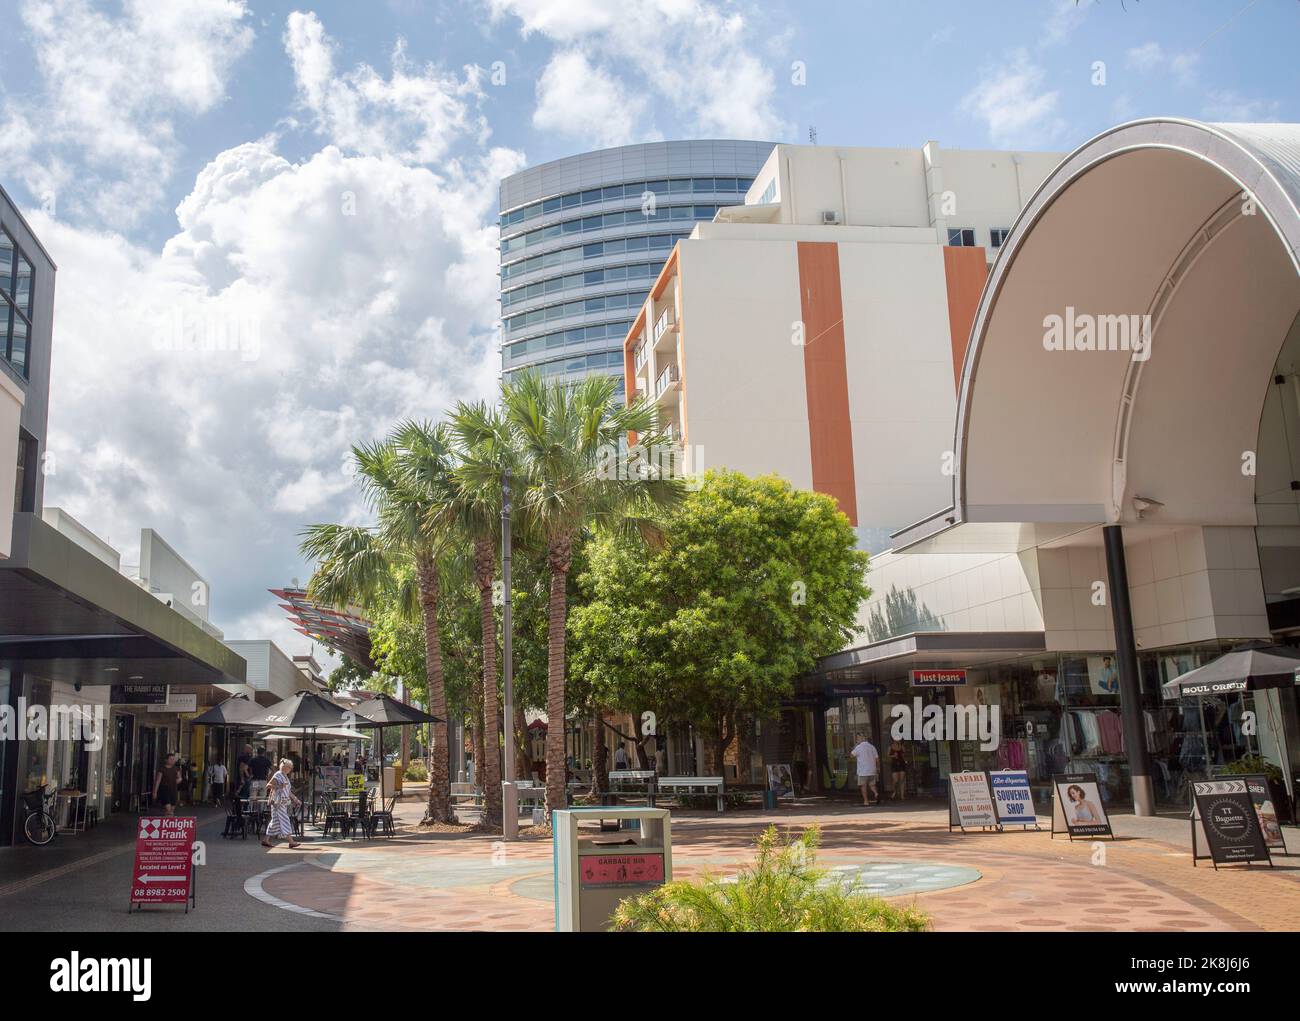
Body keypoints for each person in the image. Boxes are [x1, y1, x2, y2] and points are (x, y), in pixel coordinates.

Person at [262, 758, 302, 850]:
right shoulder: (278, 775)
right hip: (277, 802)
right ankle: (291, 842)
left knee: (275, 821)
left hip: (282, 802)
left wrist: (295, 799)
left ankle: (266, 840)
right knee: (285, 820)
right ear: (284, 767)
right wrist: (279, 786)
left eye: (290, 767)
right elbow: (268, 786)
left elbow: (287, 791)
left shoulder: (285, 776)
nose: (290, 769)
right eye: (289, 767)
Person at [850, 734, 879, 806]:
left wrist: (855, 745)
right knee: (872, 785)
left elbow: (851, 755)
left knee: (863, 786)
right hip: (872, 770)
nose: (857, 740)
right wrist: (878, 768)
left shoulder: (858, 747)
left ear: (861, 739)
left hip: (863, 771)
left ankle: (866, 801)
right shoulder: (872, 747)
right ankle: (876, 793)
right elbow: (877, 759)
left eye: (857, 739)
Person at [152, 753, 182, 817]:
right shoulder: (162, 769)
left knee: (171, 810)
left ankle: (168, 822)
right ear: (166, 760)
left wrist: (178, 780)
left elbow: (179, 777)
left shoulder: (176, 768)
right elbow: (157, 781)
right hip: (164, 790)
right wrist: (155, 792)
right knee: (168, 809)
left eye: (173, 759)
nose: (172, 761)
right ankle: (168, 819)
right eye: (171, 759)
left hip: (173, 790)